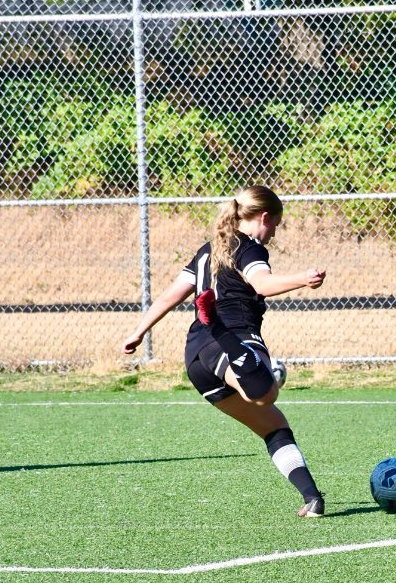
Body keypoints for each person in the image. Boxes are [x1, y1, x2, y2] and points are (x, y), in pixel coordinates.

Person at [120, 185, 329, 517]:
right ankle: (230, 342)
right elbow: (263, 284)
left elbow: (168, 296)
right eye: (275, 223)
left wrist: (137, 333)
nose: (274, 232)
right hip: (231, 335)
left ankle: (312, 498)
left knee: (273, 425)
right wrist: (303, 278)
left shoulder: (208, 250)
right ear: (263, 217)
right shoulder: (250, 248)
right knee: (265, 394)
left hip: (197, 356)